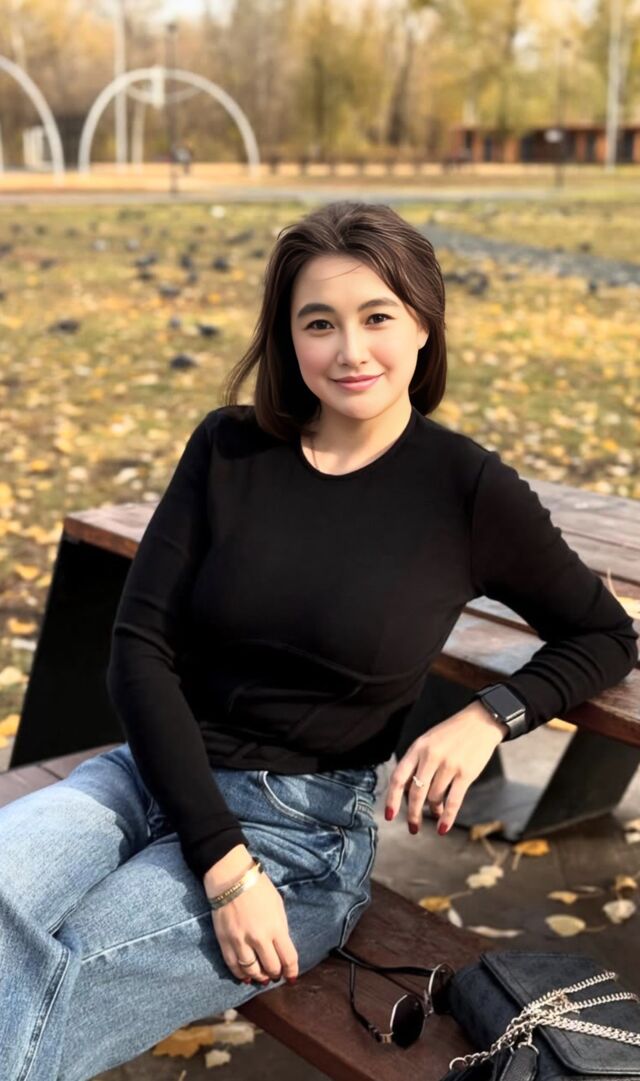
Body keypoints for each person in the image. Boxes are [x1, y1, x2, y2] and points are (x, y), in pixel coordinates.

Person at [0, 200, 637, 1081]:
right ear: (287, 336)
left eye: (377, 317)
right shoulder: (228, 448)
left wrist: (489, 715)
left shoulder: (466, 490)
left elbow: (604, 634)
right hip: (147, 773)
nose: (350, 350)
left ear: (424, 324)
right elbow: (138, 649)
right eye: (319, 323)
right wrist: (221, 865)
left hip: (297, 837)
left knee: (57, 969)